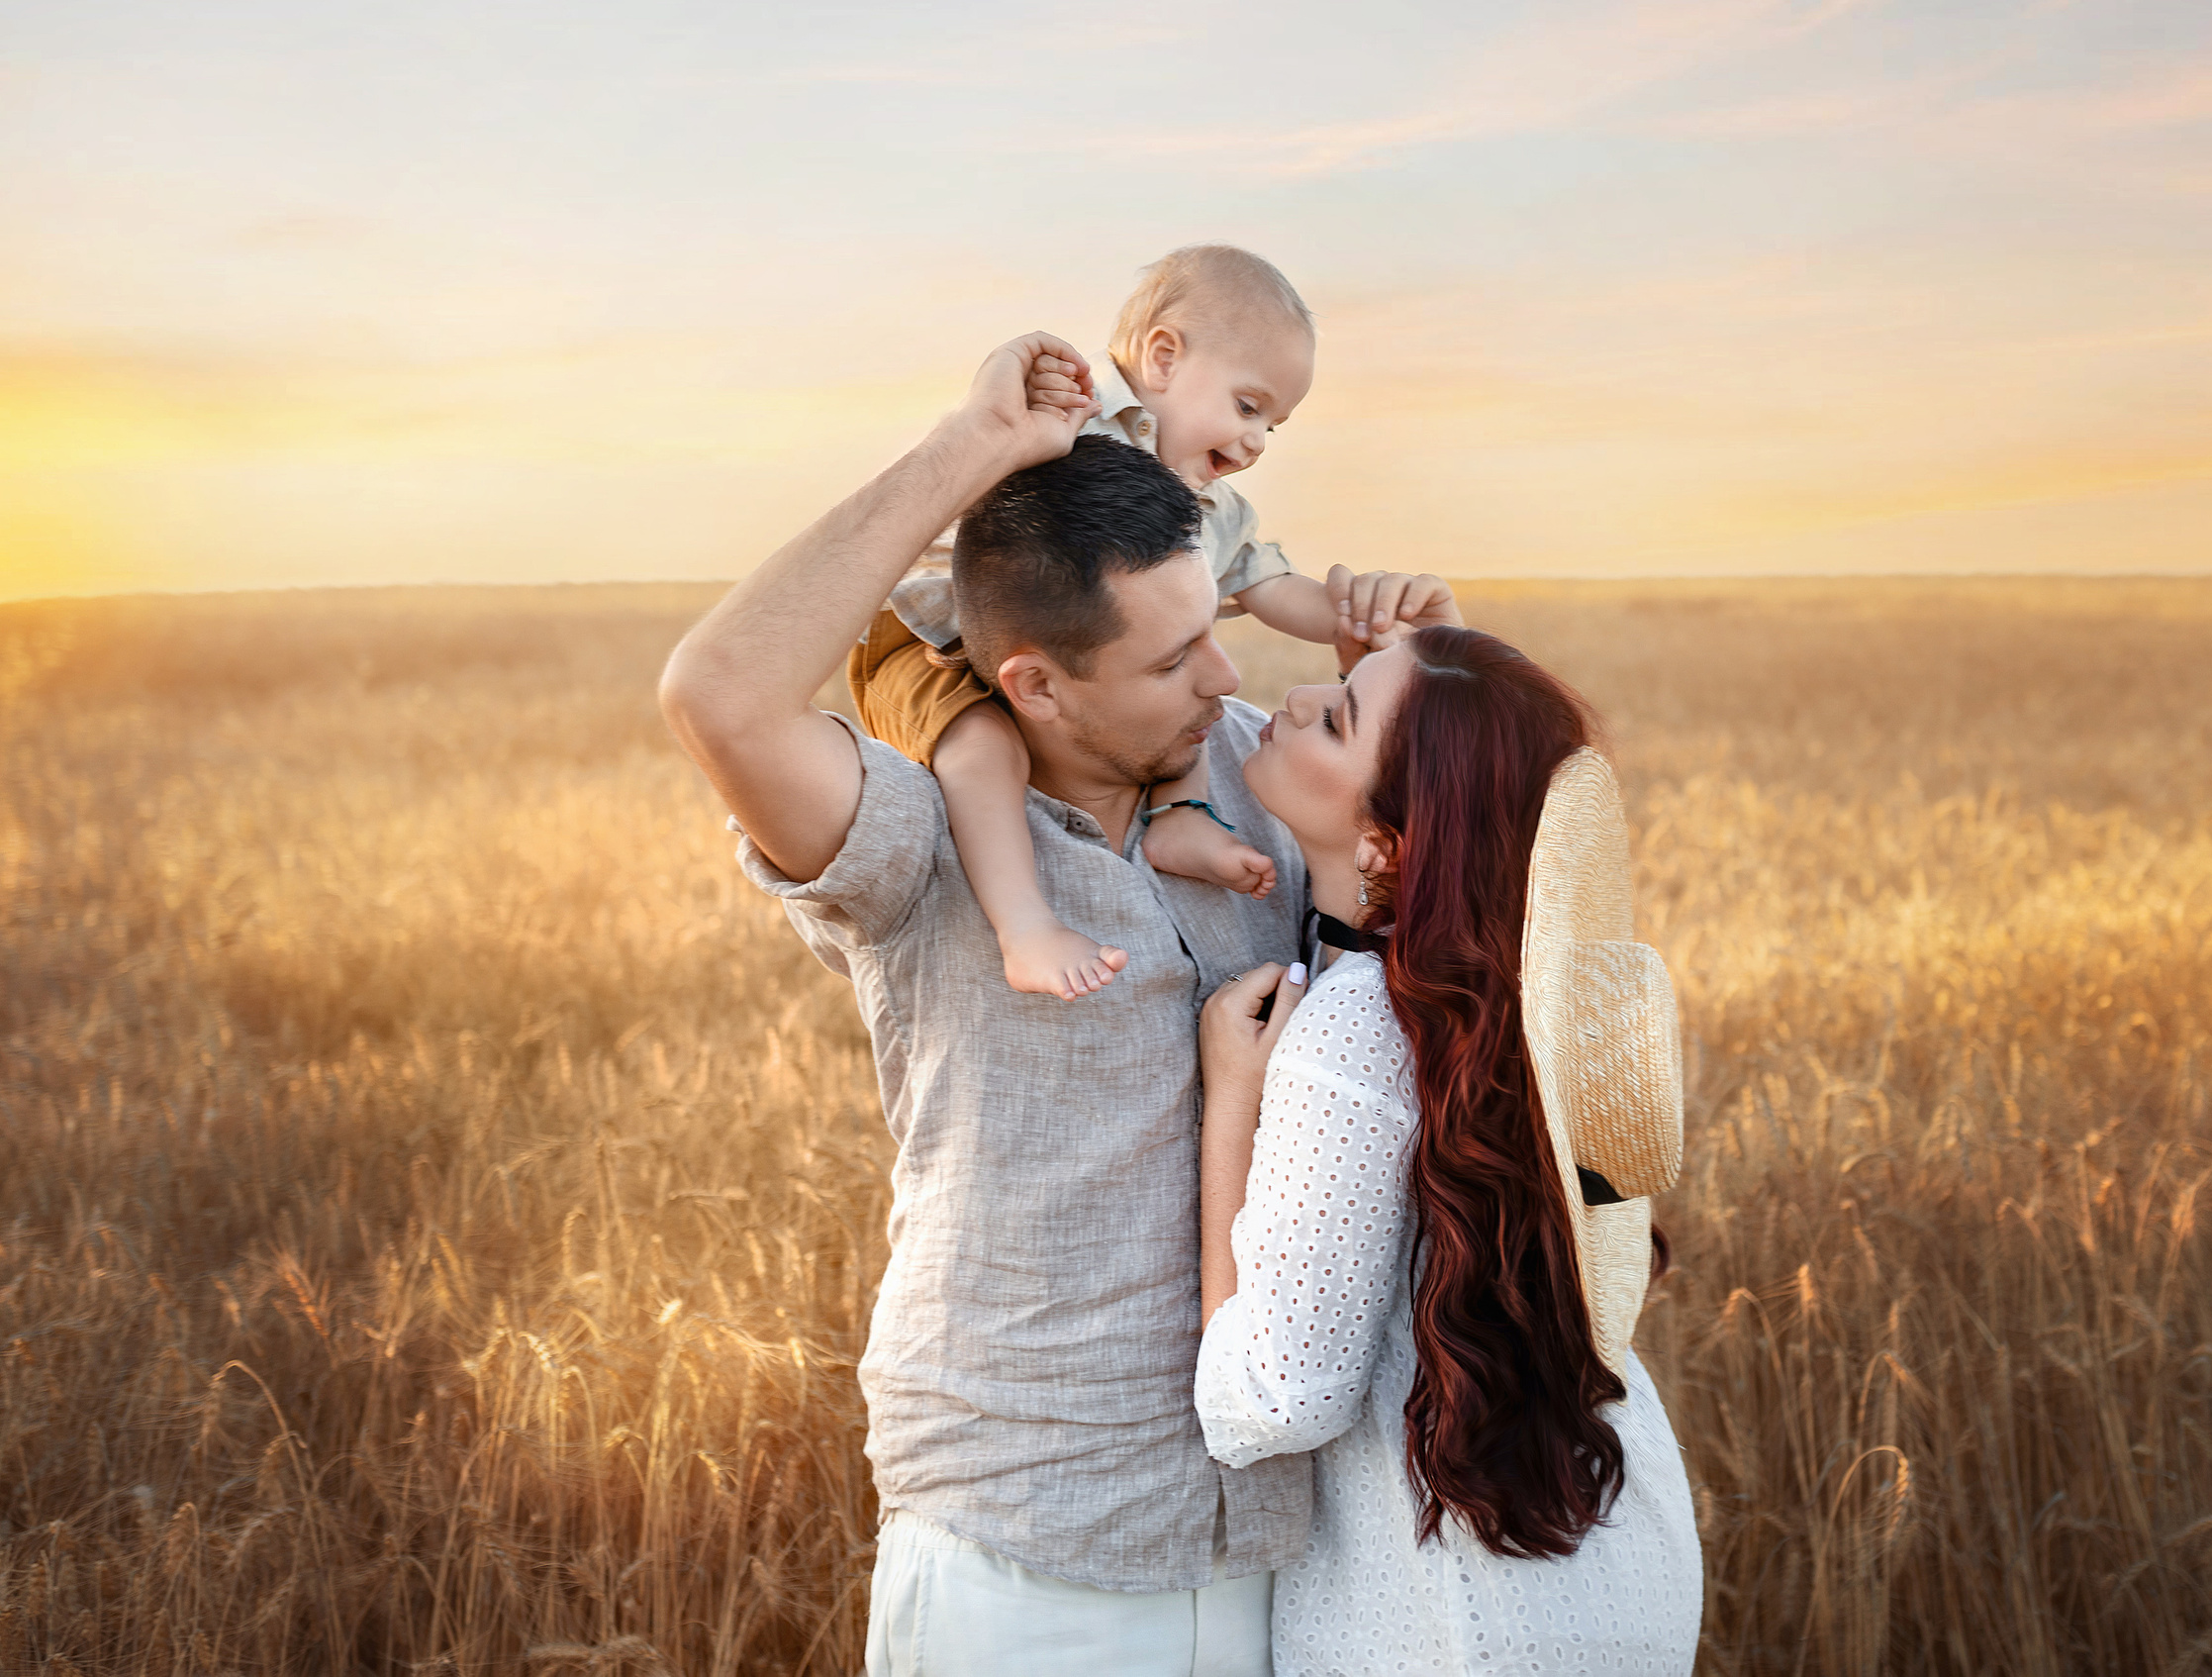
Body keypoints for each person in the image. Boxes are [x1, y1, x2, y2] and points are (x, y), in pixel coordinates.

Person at [657, 331, 1457, 1676]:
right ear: (1032, 678)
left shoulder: (1268, 774)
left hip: (1280, 1537)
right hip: (1028, 1540)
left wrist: (1419, 662)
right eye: (1169, 663)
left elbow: (1484, 911)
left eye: (1215, 633)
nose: (1222, 681)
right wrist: (976, 448)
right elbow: (718, 697)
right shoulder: (916, 841)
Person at [1192, 626, 1706, 1673]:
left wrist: (1228, 1111)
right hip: (1618, 1547)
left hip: (1444, 1613)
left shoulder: (1349, 1030)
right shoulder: (1553, 1001)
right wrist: (1404, 693)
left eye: (1335, 713)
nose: (1291, 699)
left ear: (1386, 846)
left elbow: (1279, 1394)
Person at [851, 245, 1456, 999]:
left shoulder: (1206, 507)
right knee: (980, 746)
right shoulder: (1073, 418)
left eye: (1275, 424)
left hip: (1061, 659)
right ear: (1163, 357)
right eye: (1247, 406)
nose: (1258, 441)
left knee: (1190, 696)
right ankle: (1023, 926)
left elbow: (1269, 586)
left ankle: (1179, 816)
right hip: (932, 634)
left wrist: (1362, 609)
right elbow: (982, 455)